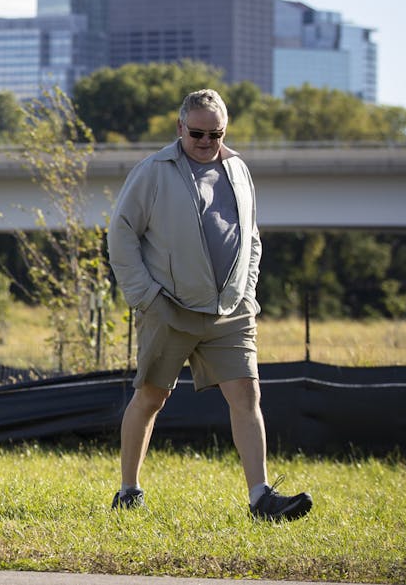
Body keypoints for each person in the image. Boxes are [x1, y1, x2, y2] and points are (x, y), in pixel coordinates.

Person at [107, 88, 313, 522]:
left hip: (231, 309)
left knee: (247, 393)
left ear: (225, 130)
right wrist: (146, 296)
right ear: (180, 127)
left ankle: (261, 498)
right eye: (197, 133)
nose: (205, 142)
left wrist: (248, 289)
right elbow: (121, 235)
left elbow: (252, 237)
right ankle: (129, 490)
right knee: (151, 396)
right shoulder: (152, 172)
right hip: (169, 307)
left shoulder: (239, 169)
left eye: (214, 134)